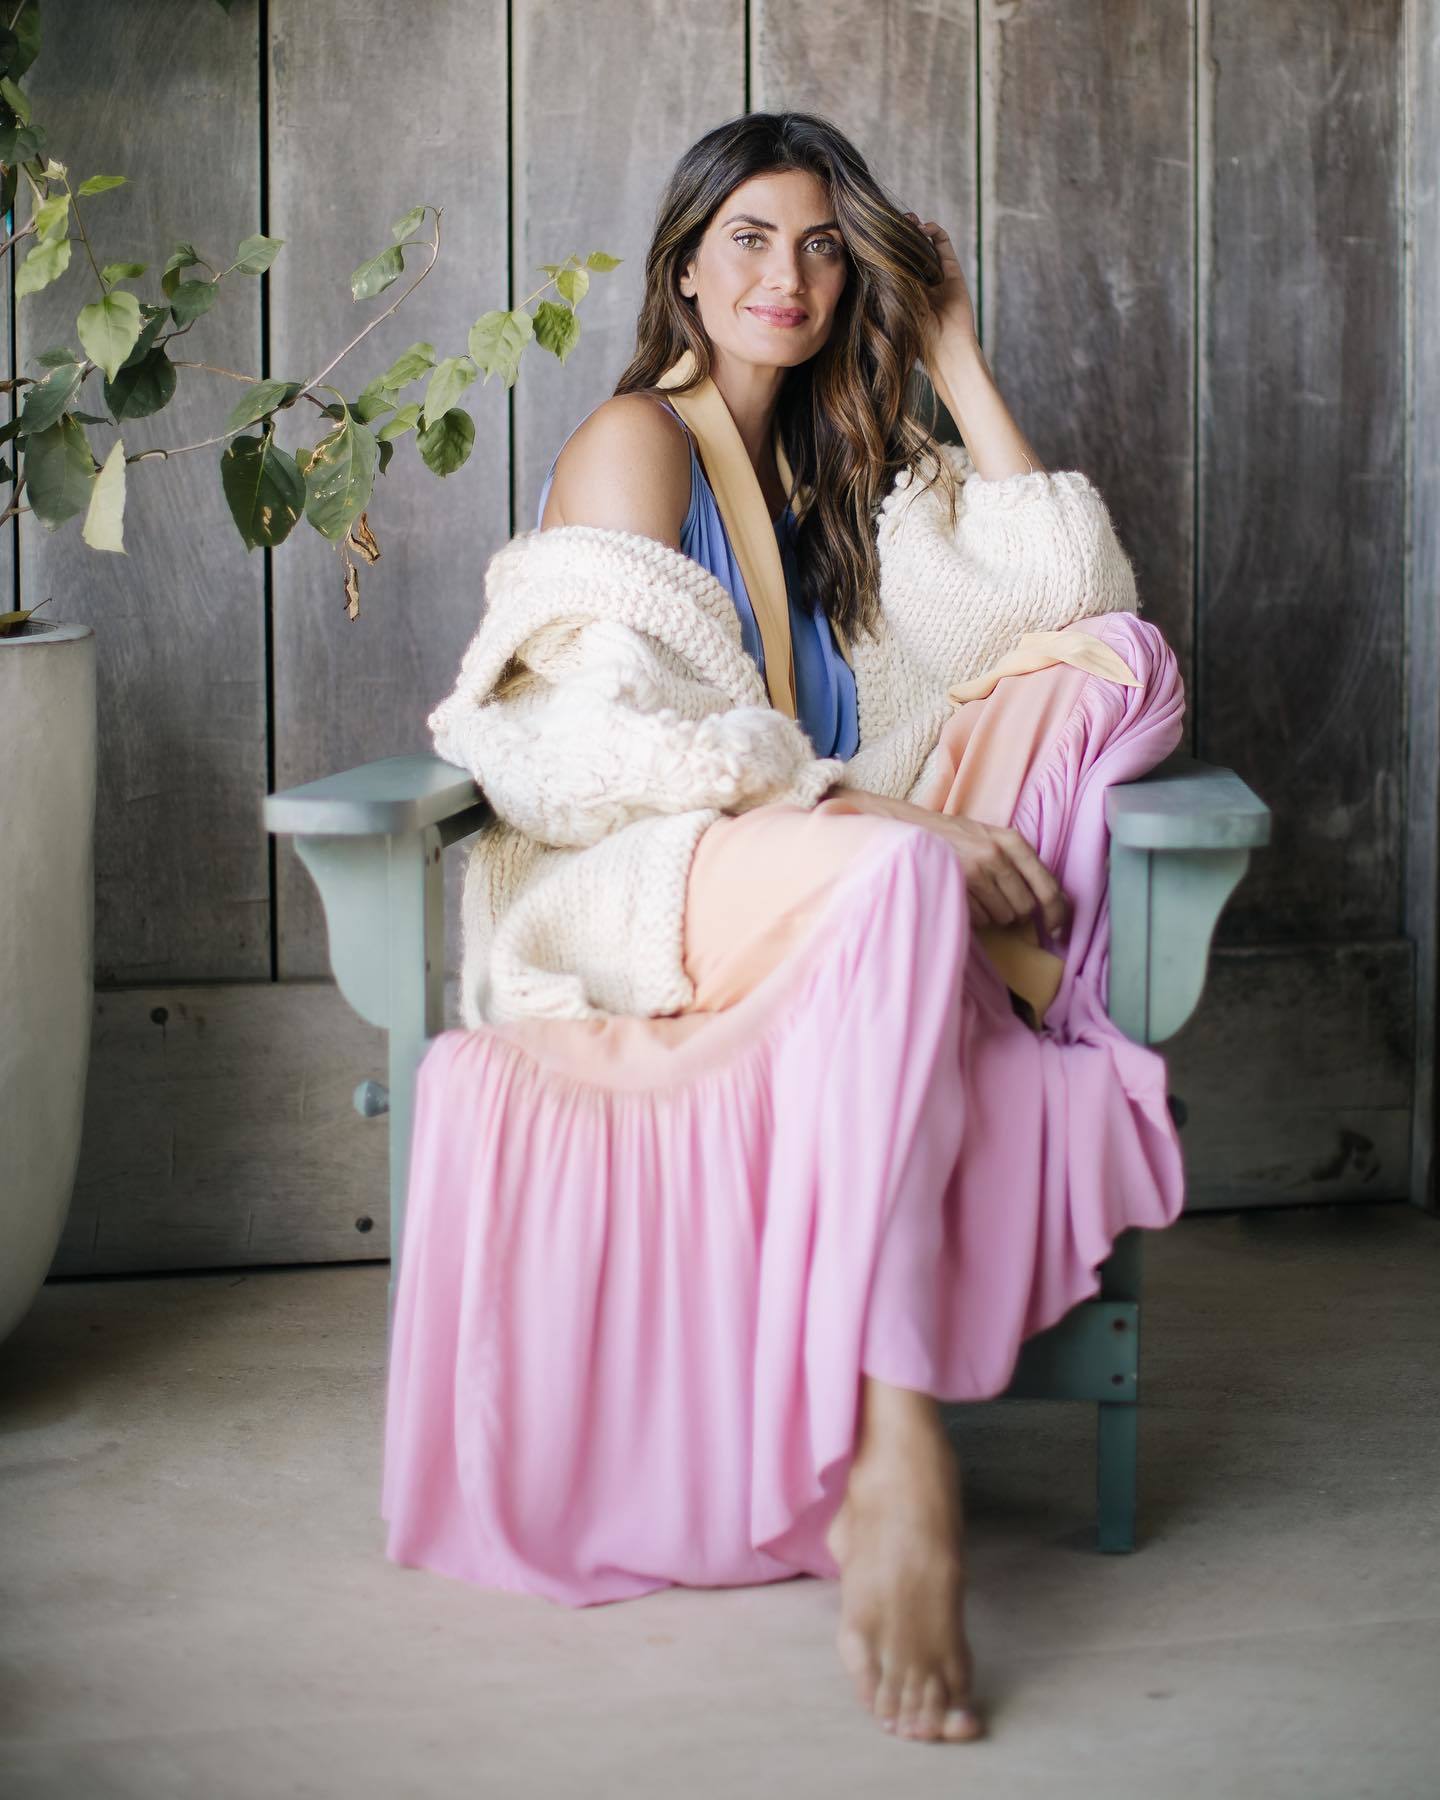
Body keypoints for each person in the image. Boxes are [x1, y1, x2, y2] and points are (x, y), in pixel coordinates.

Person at [382, 111, 1187, 1748]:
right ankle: (897, 1451)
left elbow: (1076, 593)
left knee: (1111, 663)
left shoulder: (853, 477)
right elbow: (601, 736)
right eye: (749, 237)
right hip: (648, 874)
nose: (790, 275)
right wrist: (889, 821)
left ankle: (886, 1396)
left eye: (824, 244)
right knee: (899, 880)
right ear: (685, 269)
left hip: (822, 879)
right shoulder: (638, 441)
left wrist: (953, 354)